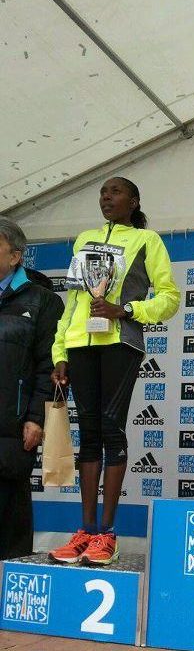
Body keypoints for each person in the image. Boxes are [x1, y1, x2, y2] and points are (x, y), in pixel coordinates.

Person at [48, 177, 180, 565]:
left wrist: (126, 310)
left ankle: (107, 534)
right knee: (88, 434)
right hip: (79, 344)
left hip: (120, 343)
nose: (107, 197)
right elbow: (74, 302)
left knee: (110, 428)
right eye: (103, 192)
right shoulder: (84, 239)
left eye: (116, 192)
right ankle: (86, 531)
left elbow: (170, 298)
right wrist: (60, 351)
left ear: (134, 201)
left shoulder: (147, 240)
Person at [0, 219, 64, 559]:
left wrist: (37, 417)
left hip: (12, 426)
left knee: (9, 518)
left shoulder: (43, 301)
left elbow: (49, 366)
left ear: (15, 256)